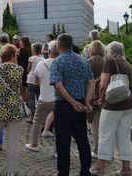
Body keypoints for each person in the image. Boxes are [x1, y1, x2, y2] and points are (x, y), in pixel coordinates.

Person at [50, 33, 95, 176]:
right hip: (81, 104)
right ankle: (85, 171)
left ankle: (63, 173)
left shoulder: (57, 62)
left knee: (63, 143)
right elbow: (91, 82)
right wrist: (87, 100)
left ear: (59, 45)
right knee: (83, 141)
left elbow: (58, 85)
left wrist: (72, 102)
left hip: (64, 105)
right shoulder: (82, 60)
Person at [91, 41, 132, 176]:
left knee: (105, 134)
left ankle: (99, 166)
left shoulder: (110, 62)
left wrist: (102, 99)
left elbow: (103, 84)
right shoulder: (127, 64)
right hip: (129, 103)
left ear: (110, 51)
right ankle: (126, 168)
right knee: (124, 135)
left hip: (113, 104)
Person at [0, 44, 27, 176]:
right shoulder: (19, 70)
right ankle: (11, 171)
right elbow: (20, 87)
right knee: (13, 141)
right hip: (15, 108)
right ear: (13, 55)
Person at [25, 40, 59, 152]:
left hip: (44, 97)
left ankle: (34, 144)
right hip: (59, 98)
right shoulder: (61, 63)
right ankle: (58, 150)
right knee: (61, 125)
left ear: (48, 51)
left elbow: (37, 81)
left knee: (37, 121)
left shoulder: (41, 63)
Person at [86, 40, 106, 158]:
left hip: (93, 95)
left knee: (95, 125)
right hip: (105, 95)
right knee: (105, 125)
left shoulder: (88, 62)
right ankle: (107, 150)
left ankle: (97, 150)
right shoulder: (107, 62)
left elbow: (85, 79)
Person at [26, 42, 44, 121]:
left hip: (31, 80)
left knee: (31, 99)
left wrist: (27, 73)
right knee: (40, 98)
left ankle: (32, 116)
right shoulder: (43, 58)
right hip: (40, 81)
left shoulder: (31, 58)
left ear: (34, 50)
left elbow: (28, 69)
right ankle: (40, 115)